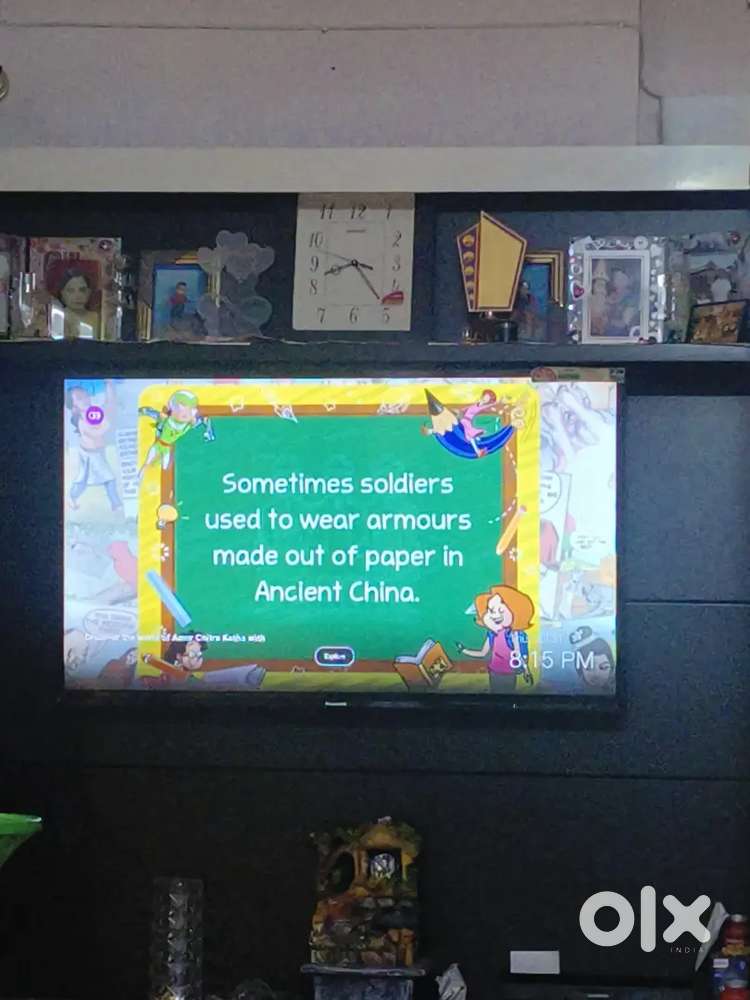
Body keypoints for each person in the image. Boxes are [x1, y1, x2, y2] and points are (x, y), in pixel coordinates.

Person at [456, 584, 535, 692]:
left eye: (501, 611)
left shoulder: (515, 634)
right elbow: (483, 653)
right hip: (494, 673)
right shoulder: (492, 633)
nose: (494, 615)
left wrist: (526, 670)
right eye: (491, 611)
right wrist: (464, 650)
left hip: (509, 674)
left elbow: (519, 654)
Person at [66, 380, 123, 514]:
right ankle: (116, 505)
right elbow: (96, 433)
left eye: (86, 395)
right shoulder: (81, 421)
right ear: (74, 406)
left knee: (83, 478)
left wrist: (109, 385)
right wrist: (107, 424)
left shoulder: (92, 413)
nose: (85, 399)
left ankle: (71, 496)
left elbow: (109, 404)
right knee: (109, 479)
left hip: (96, 452)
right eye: (80, 398)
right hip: (91, 454)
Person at [137, 389, 215, 481]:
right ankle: (139, 477)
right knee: (148, 462)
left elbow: (205, 420)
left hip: (166, 449)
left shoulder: (188, 425)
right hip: (158, 445)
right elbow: (147, 411)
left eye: (189, 410)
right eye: (181, 408)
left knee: (164, 467)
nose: (185, 413)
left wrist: (208, 431)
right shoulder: (165, 419)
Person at [55, 268, 100, 338]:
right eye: (71, 291)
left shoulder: (97, 318)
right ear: (62, 293)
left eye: (82, 290)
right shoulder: (56, 317)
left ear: (89, 292)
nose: (77, 296)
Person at [459, 389, 497, 457]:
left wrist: (497, 402)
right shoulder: (476, 403)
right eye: (485, 396)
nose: (486, 398)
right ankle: (477, 450)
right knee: (471, 435)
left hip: (467, 421)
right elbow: (467, 408)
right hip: (465, 420)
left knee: (471, 435)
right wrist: (462, 410)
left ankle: (477, 450)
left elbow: (490, 405)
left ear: (489, 400)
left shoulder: (482, 406)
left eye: (488, 398)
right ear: (483, 396)